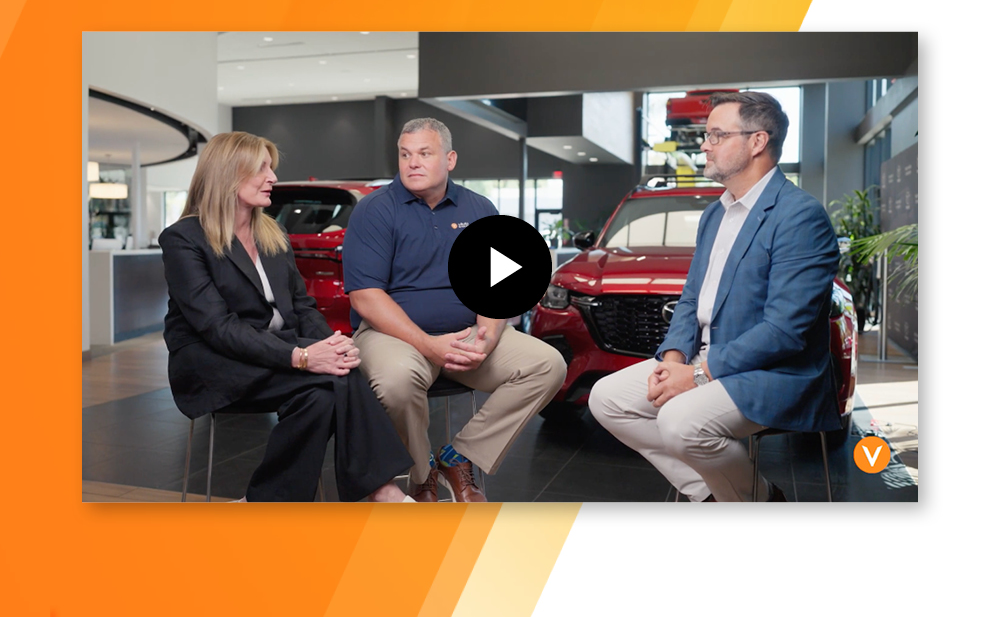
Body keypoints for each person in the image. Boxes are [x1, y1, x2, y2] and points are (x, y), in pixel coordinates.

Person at [588, 92, 840, 502]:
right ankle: (716, 495)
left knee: (678, 422)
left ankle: (753, 502)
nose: (704, 146)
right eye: (707, 136)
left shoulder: (799, 216)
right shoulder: (715, 213)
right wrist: (673, 360)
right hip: (702, 359)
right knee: (607, 398)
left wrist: (699, 374)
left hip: (775, 371)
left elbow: (784, 332)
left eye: (717, 135)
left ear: (757, 142)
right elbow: (692, 298)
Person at [160, 131, 413, 502]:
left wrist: (330, 344)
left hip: (272, 351)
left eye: (271, 168)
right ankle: (384, 491)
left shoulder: (271, 232)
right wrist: (302, 356)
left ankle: (267, 503)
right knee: (336, 381)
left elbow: (302, 306)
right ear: (228, 173)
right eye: (262, 168)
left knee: (324, 391)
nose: (273, 178)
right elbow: (217, 327)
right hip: (213, 362)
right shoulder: (183, 239)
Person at [342, 118, 567, 502]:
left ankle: (459, 456)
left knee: (548, 366)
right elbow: (365, 297)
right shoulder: (374, 210)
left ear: (450, 159)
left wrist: (488, 336)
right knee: (395, 382)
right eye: (405, 155)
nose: (413, 163)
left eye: (424, 153)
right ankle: (421, 474)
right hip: (395, 336)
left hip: (468, 333)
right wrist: (428, 345)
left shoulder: (479, 207)